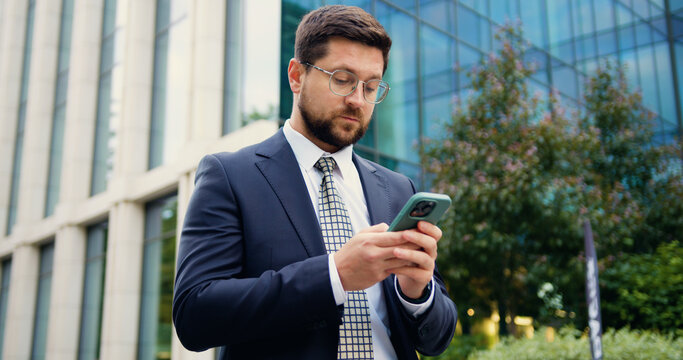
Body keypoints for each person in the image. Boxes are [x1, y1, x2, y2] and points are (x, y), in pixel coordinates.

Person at [173, 5, 457, 360]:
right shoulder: (230, 176)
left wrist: (417, 294)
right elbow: (195, 316)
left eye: (371, 86)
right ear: (296, 75)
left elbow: (436, 340)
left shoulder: (400, 190)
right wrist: (334, 275)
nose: (358, 100)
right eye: (342, 79)